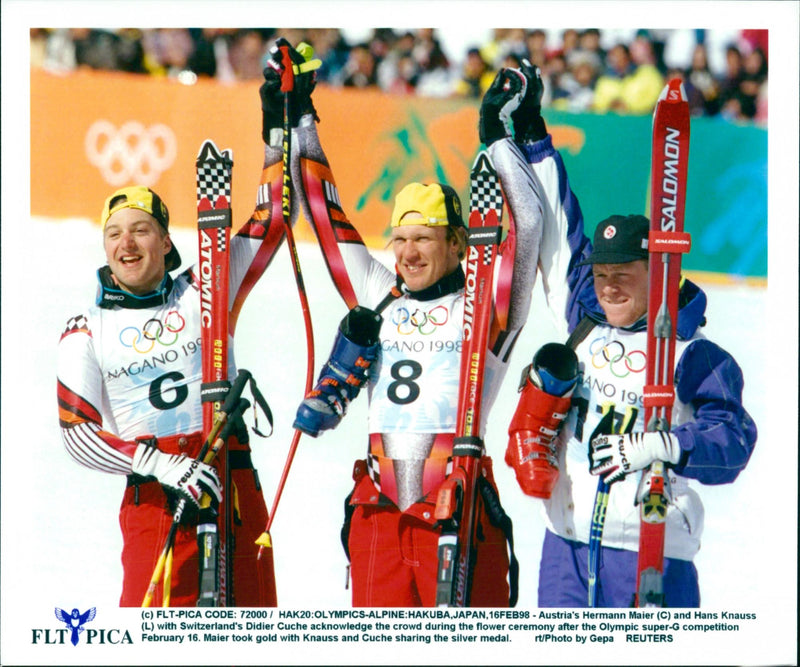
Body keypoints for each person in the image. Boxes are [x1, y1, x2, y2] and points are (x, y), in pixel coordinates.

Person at [258, 39, 549, 607]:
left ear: (459, 244)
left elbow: (530, 226)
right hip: (377, 514)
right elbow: (323, 210)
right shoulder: (377, 291)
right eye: (400, 240)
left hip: (457, 508)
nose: (408, 253)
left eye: (424, 239)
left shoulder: (484, 300)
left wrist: (499, 139)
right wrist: (295, 116)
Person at [498, 63, 757, 606]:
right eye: (602, 275)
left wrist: (667, 444)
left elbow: (733, 441)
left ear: (657, 274)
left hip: (652, 552)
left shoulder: (693, 353)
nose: (609, 287)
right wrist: (531, 133)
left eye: (624, 275)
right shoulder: (584, 319)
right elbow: (557, 230)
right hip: (565, 549)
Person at [56, 148, 298, 604]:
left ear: (165, 242)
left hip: (230, 479)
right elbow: (77, 435)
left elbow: (274, 221)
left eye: (140, 230)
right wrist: (161, 464)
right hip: (157, 497)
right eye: (114, 234)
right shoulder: (86, 328)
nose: (126, 244)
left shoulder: (204, 287)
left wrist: (275, 137)